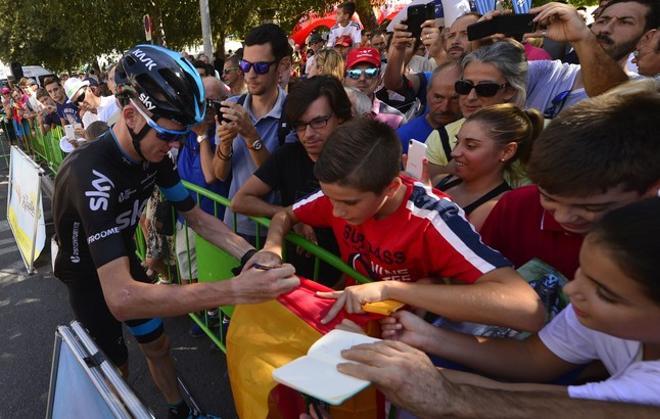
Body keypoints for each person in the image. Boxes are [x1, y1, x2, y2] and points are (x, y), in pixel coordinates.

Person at [52, 44, 298, 419]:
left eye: (182, 137)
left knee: (159, 345)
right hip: (88, 277)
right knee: (115, 373)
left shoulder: (151, 152)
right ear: (131, 116)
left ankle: (180, 412)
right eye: (167, 136)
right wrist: (235, 290)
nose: (174, 146)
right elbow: (120, 297)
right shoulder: (91, 175)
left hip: (123, 256)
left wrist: (249, 254)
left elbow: (196, 216)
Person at [341, 198, 660, 417]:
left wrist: (444, 394)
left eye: (604, 292)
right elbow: (533, 359)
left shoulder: (647, 396)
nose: (572, 290)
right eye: (581, 272)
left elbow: (545, 408)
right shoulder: (593, 311)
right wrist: (429, 340)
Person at [250, 118, 545, 333]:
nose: (336, 212)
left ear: (392, 187)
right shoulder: (340, 192)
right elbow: (285, 215)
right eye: (329, 198)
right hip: (357, 324)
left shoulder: (433, 218)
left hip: (406, 341)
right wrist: (272, 250)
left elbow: (526, 309)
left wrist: (391, 290)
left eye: (350, 203)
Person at [479, 84, 660, 280]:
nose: (564, 217)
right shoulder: (517, 207)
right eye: (548, 198)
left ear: (651, 189)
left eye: (590, 207)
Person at [231, 75, 351, 285]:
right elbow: (240, 201)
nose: (308, 134)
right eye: (301, 125)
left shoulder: (359, 161)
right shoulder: (288, 155)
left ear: (340, 117)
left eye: (319, 122)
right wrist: (290, 216)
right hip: (296, 283)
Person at [212, 23, 292, 244]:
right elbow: (219, 173)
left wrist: (250, 135)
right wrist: (225, 146)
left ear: (282, 66)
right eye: (246, 65)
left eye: (262, 67)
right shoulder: (230, 106)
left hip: (276, 233)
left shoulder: (293, 112)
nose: (251, 74)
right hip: (234, 225)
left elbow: (278, 179)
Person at [426, 40, 528, 178]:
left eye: (485, 88)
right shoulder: (440, 138)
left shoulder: (540, 136)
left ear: (510, 90)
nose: (470, 97)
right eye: (464, 86)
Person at [436, 104, 544, 230]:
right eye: (457, 142)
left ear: (507, 151)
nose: (454, 153)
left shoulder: (498, 208)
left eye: (471, 146)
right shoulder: (440, 180)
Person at [175, 76, 231, 286]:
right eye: (197, 101)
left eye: (208, 103)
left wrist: (203, 136)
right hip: (187, 215)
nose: (202, 109)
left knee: (210, 275)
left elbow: (210, 176)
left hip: (211, 219)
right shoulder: (191, 127)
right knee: (187, 273)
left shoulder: (221, 132)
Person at [396, 61, 462, 154]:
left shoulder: (471, 134)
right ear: (427, 92)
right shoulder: (403, 137)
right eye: (438, 97)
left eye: (455, 99)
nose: (445, 108)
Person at [343, 47, 405, 129]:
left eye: (370, 73)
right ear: (344, 78)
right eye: (354, 73)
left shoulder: (396, 120)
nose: (362, 78)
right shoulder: (331, 114)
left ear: (379, 79)